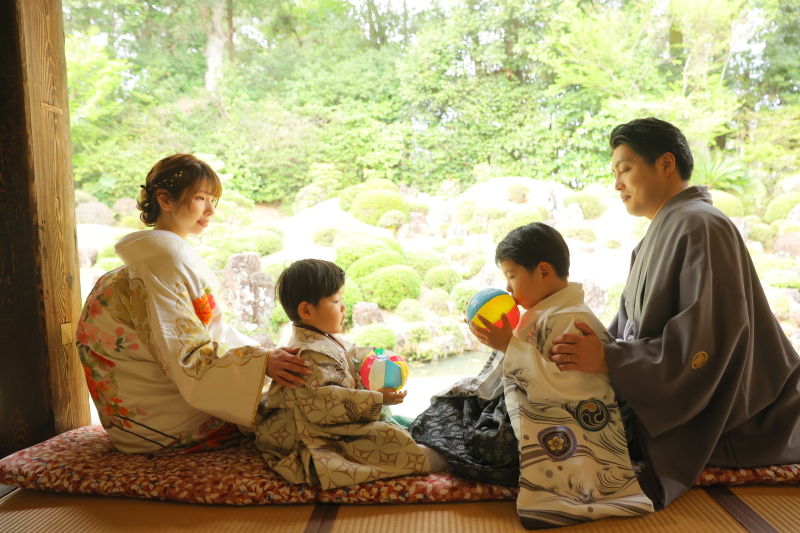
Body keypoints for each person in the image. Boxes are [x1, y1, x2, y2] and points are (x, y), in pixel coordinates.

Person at [549, 117, 800, 510]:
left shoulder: (702, 226)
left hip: (735, 418)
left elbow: (705, 346)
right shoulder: (661, 232)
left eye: (625, 169)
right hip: (659, 391)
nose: (617, 184)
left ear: (666, 164)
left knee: (553, 438)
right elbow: (626, 331)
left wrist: (610, 359)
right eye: (614, 173)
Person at [410, 223, 653, 529]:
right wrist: (504, 344)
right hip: (527, 404)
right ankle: (430, 451)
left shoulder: (571, 320)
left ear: (543, 271)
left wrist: (507, 346)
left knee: (487, 440)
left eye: (512, 276)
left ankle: (431, 457)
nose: (509, 289)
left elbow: (566, 388)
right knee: (457, 405)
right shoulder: (548, 311)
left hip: (563, 425)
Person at [76, 154, 311, 455]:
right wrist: (263, 364)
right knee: (301, 418)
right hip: (161, 425)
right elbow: (187, 355)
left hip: (140, 414)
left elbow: (208, 332)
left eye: (214, 200)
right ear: (165, 200)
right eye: (201, 198)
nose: (211, 210)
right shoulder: (163, 263)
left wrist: (265, 358)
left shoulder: (160, 258)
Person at [254, 259, 445, 490]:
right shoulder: (306, 355)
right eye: (336, 301)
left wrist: (377, 357)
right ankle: (433, 457)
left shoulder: (320, 338)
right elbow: (324, 402)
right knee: (393, 444)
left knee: (405, 426)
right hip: (319, 434)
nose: (344, 307)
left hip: (337, 422)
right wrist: (378, 398)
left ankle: (430, 447)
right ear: (306, 310)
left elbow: (352, 351)